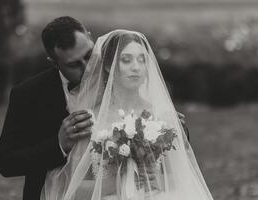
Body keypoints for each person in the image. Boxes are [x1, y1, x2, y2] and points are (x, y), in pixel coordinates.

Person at [41, 30, 212, 200]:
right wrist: (113, 183)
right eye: (126, 60)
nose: (136, 67)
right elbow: (75, 189)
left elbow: (181, 176)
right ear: (109, 66)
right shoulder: (90, 119)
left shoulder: (162, 115)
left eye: (142, 60)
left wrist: (159, 180)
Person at [0, 16, 95, 200]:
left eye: (89, 55)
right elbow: (5, 162)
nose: (87, 68)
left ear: (90, 37)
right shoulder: (28, 94)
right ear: (54, 62)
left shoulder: (117, 81)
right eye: (74, 64)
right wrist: (58, 145)